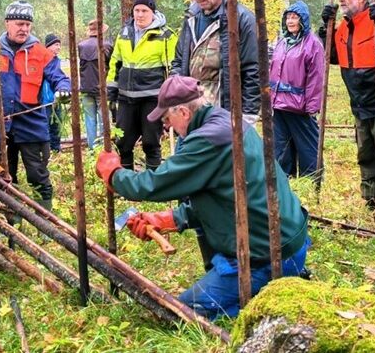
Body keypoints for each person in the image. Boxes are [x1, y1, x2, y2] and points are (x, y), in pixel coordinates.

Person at [96, 75, 309, 320]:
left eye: (167, 119)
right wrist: (171, 219)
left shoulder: (208, 141)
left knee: (184, 312)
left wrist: (114, 174)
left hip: (268, 255)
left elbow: (154, 184)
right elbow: (224, 195)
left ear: (184, 112)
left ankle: (267, 296)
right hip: (287, 238)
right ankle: (275, 283)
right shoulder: (225, 121)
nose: (166, 126)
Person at [0, 0, 70, 213]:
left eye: (27, 25)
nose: (24, 29)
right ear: (7, 23)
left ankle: (45, 217)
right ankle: (11, 219)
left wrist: (63, 89)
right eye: (19, 24)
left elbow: (59, 77)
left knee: (38, 174)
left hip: (31, 124)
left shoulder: (42, 53)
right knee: (2, 175)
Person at [321, 0, 375, 213]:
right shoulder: (344, 27)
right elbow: (333, 56)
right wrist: (325, 29)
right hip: (359, 103)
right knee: (366, 154)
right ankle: (373, 202)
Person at [171, 0, 260, 125]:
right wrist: (174, 96)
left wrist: (248, 115)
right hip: (191, 112)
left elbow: (252, 69)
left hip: (224, 113)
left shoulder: (241, 19)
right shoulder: (191, 19)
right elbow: (179, 61)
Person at [107, 0, 177, 170]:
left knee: (150, 143)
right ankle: (127, 183)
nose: (139, 14)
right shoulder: (124, 33)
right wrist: (111, 92)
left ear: (152, 12)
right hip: (126, 99)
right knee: (123, 143)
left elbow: (172, 69)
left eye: (144, 10)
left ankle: (153, 183)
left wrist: (171, 99)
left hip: (152, 99)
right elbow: (115, 62)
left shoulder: (165, 36)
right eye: (136, 10)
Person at [270, 0, 325, 178]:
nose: (290, 21)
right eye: (288, 18)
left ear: (303, 20)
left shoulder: (312, 44)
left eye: (294, 18)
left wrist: (312, 106)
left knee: (307, 146)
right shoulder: (282, 43)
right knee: (282, 147)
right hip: (279, 104)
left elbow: (316, 77)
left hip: (300, 106)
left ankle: (312, 180)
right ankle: (285, 180)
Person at [78, 19, 112, 149]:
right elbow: (112, 66)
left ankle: (92, 148)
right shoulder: (107, 46)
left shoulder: (81, 46)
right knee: (104, 119)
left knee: (90, 119)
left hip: (86, 88)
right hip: (101, 89)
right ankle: (104, 147)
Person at [44, 33, 63, 153]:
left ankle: (56, 148)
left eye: (59, 45)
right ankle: (46, 150)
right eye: (56, 45)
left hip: (56, 99)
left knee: (57, 123)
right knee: (46, 125)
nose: (59, 47)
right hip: (45, 101)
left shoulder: (57, 60)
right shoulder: (43, 60)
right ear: (48, 46)